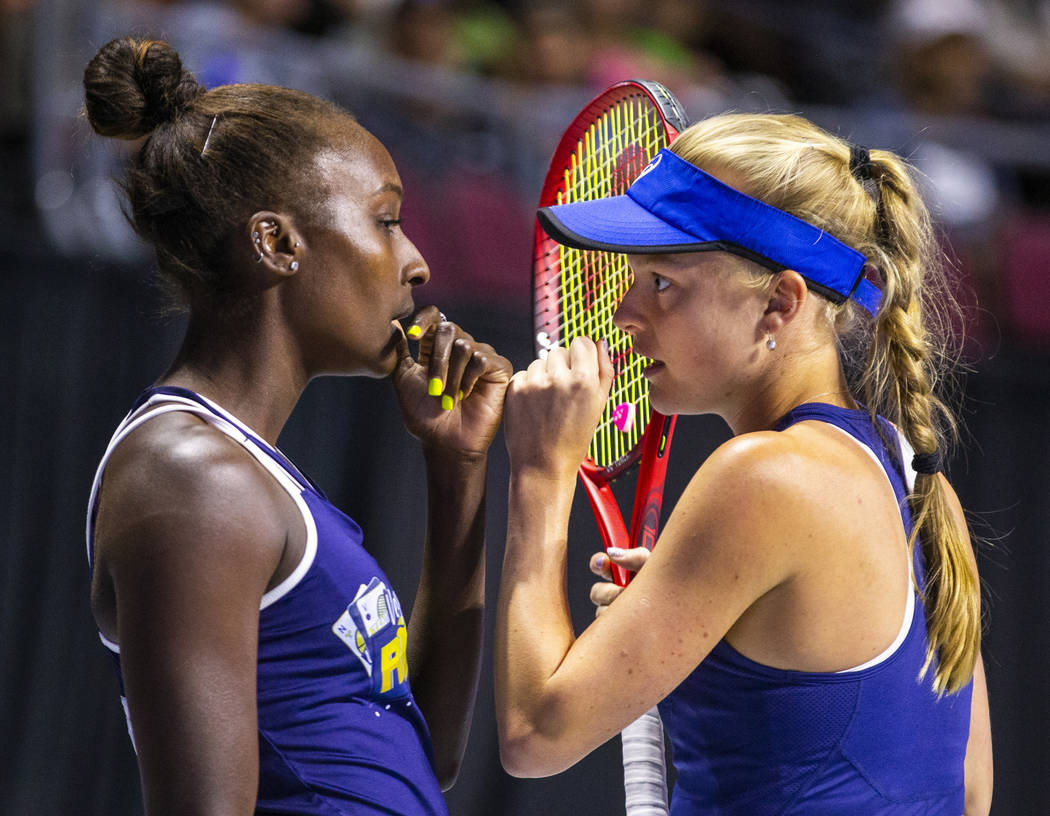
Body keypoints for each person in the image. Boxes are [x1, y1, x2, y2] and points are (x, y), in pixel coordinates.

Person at [495, 113, 993, 814]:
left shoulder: (762, 477)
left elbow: (534, 735)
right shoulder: (911, 468)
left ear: (779, 303)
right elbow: (968, 789)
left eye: (663, 283)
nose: (624, 314)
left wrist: (539, 475)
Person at [82, 36, 511, 815]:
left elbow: (429, 751)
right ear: (277, 243)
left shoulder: (248, 476)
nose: (416, 261)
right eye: (386, 221)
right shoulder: (191, 479)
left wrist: (458, 469)